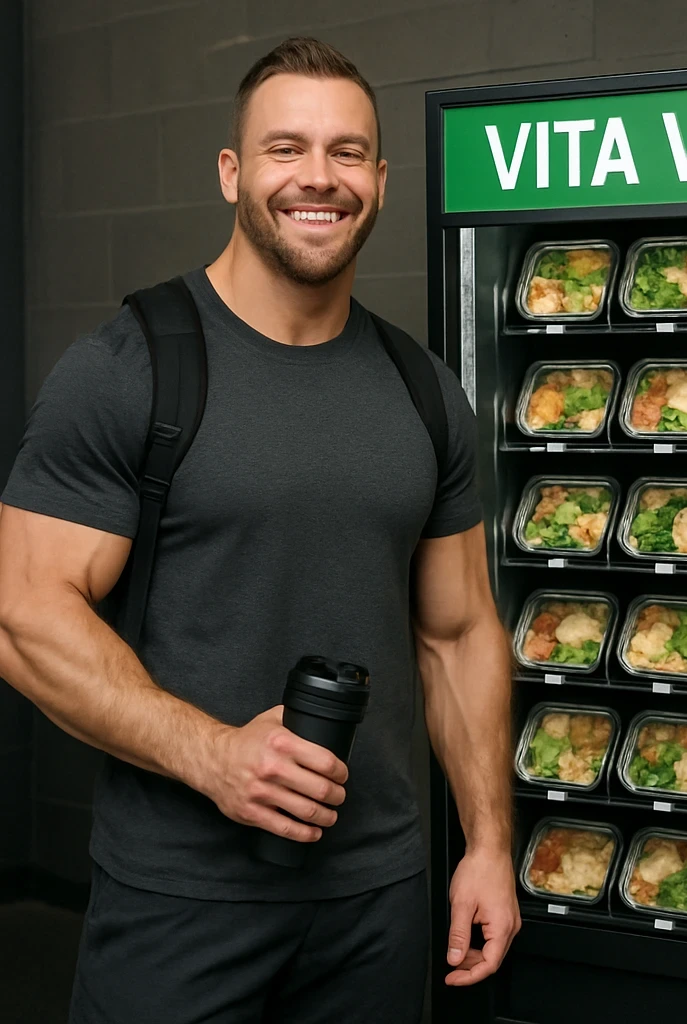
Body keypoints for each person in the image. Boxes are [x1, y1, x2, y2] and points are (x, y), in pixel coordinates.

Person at [0, 35, 519, 1024]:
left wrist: (487, 845)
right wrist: (211, 755)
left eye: (347, 152)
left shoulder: (424, 392)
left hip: (377, 901)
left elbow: (457, 636)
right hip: (181, 901)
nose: (317, 178)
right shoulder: (132, 367)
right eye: (285, 149)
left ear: (380, 177)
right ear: (232, 172)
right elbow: (23, 613)